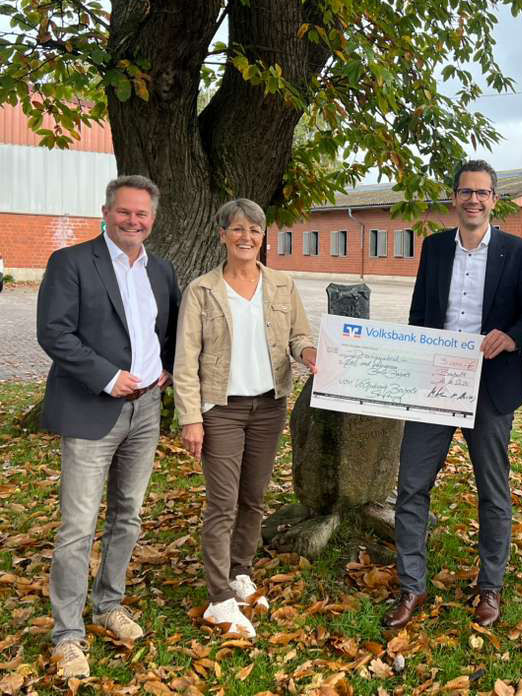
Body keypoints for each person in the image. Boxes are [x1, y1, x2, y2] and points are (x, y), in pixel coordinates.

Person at [384, 160, 522, 630]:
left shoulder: (516, 253)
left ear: (494, 200)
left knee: (493, 492)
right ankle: (411, 585)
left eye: (482, 192)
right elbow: (418, 313)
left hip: (491, 387)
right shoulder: (434, 249)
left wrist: (511, 338)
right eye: (465, 192)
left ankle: (490, 587)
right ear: (454, 199)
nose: (473, 200)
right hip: (435, 382)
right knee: (412, 485)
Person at [36, 175, 181, 678]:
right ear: (106, 211)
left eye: (142, 214)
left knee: (129, 515)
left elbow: (169, 331)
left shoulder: (161, 271)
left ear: (153, 219)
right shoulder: (72, 263)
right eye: (125, 212)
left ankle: (108, 605)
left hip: (145, 412)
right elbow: (53, 332)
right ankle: (67, 633)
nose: (133, 221)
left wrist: (165, 366)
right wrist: (107, 376)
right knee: (77, 526)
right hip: (91, 409)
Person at [172, 198, 316, 639]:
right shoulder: (202, 290)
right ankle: (219, 599)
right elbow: (185, 360)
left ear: (263, 236)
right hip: (222, 410)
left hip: (269, 406)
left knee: (253, 498)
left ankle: (240, 573)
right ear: (222, 235)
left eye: (254, 230)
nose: (246, 237)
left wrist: (309, 353)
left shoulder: (281, 285)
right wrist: (190, 419)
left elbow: (299, 335)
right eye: (236, 229)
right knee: (222, 502)